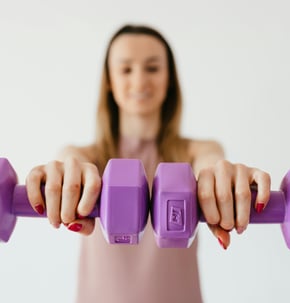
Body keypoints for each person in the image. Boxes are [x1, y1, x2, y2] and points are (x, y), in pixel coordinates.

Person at [25, 24, 271, 303]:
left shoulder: (199, 151)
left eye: (152, 68)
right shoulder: (85, 157)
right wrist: (65, 174)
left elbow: (210, 165)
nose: (140, 81)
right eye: (126, 69)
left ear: (169, 79)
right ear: (109, 81)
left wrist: (220, 179)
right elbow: (72, 163)